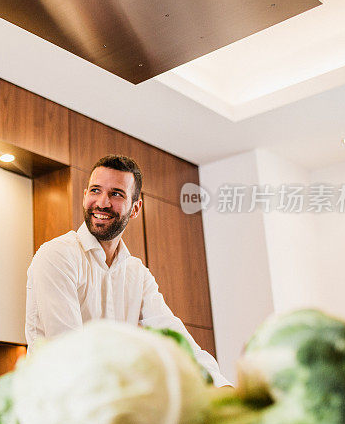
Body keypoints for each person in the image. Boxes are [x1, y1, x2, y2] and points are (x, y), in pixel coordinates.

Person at [25, 154, 230, 387]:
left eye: (116, 194)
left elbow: (177, 340)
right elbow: (71, 351)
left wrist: (222, 387)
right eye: (95, 190)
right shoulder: (57, 256)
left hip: (112, 407)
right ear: (84, 196)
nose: (102, 202)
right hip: (57, 410)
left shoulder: (138, 274)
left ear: (135, 208)